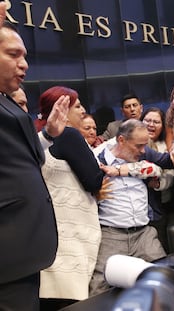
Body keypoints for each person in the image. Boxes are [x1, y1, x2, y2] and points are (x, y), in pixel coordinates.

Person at [0, 7, 70, 310]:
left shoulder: (7, 102)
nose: (24, 64)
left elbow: (19, 160)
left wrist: (49, 135)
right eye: (14, 55)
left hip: (22, 251)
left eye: (25, 56)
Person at [38, 86, 106, 309]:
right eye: (77, 106)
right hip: (73, 236)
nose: (83, 111)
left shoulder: (38, 138)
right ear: (62, 109)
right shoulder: (69, 135)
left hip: (48, 237)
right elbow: (94, 180)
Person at [89, 119, 168, 296]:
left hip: (143, 233)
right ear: (122, 140)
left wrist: (122, 170)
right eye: (138, 146)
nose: (143, 150)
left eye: (144, 145)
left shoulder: (143, 155)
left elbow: (158, 170)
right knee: (97, 288)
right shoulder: (96, 160)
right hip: (111, 234)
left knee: (164, 277)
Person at [141, 107, 174, 251]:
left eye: (156, 122)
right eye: (147, 120)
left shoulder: (166, 147)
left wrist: (159, 183)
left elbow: (171, 172)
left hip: (160, 201)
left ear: (162, 126)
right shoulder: (130, 144)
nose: (151, 124)